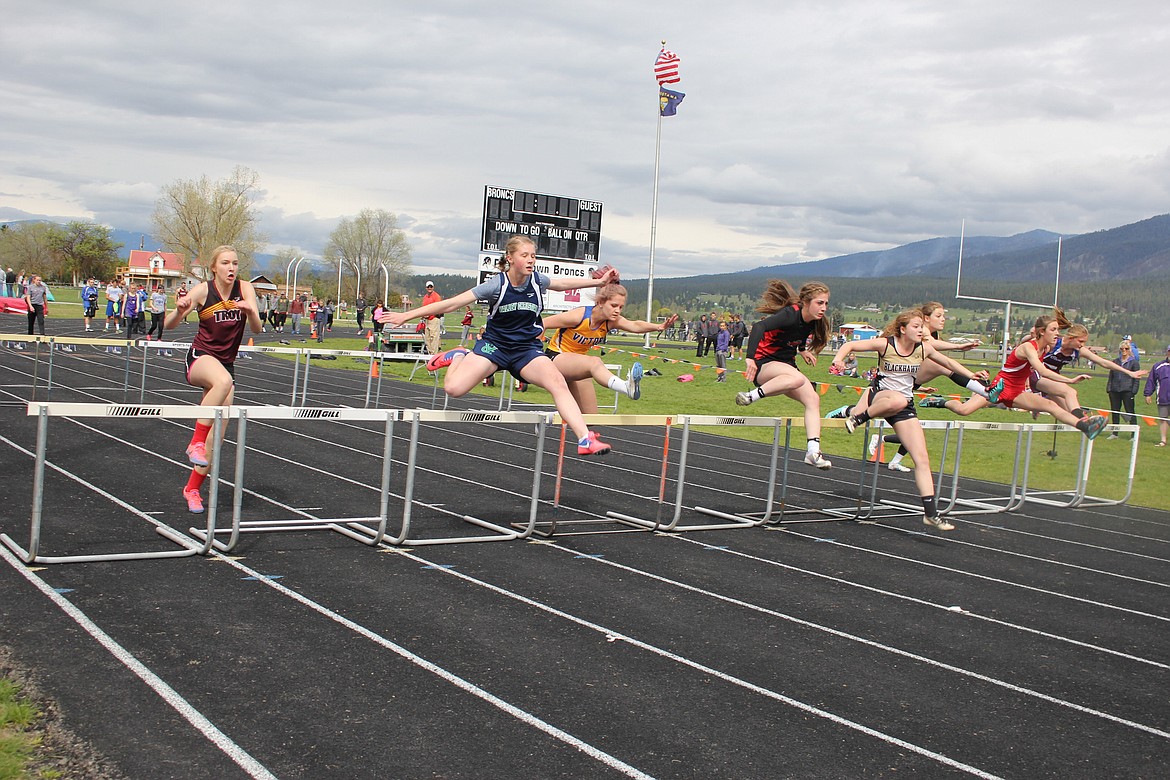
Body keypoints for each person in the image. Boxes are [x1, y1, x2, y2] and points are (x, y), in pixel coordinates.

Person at [380, 235, 617, 456]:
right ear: (510, 258)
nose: (531, 260)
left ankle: (585, 439)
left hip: (526, 350)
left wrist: (599, 281)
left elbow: (563, 284)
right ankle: (460, 356)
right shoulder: (496, 286)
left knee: (557, 382)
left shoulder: (537, 281)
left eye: (533, 255)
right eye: (525, 255)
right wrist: (406, 316)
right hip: (495, 348)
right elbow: (451, 304)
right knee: (454, 389)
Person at [829, 302, 994, 472]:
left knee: (916, 434)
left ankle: (896, 460)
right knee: (942, 368)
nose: (943, 319)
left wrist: (921, 388)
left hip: (907, 387)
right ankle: (848, 411)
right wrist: (958, 347)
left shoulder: (925, 337)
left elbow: (938, 354)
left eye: (944, 316)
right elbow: (933, 347)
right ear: (926, 318)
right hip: (887, 385)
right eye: (939, 316)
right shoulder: (922, 334)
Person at [832, 309, 956, 530]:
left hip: (904, 406)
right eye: (916, 327)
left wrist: (972, 376)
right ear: (903, 329)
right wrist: (838, 359)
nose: (921, 331)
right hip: (881, 396)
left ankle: (931, 513)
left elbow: (949, 364)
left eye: (922, 327)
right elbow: (849, 345)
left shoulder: (923, 348)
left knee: (922, 458)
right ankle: (857, 417)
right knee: (897, 399)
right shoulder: (885, 344)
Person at [164, 245, 262, 514]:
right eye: (226, 263)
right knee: (223, 382)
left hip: (226, 365)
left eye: (235, 263)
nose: (231, 268)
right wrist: (179, 308)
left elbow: (257, 328)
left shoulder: (246, 289)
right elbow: (168, 325)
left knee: (214, 442)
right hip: (200, 359)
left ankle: (192, 488)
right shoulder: (203, 291)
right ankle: (194, 441)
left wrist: (249, 310)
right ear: (214, 268)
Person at [918, 311, 1108, 440]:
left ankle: (1085, 426)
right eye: (1053, 330)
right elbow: (1040, 371)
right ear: (1042, 332)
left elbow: (1032, 372)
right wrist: (1070, 380)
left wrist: (1034, 400)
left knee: (1050, 405)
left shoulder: (1047, 347)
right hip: (1001, 386)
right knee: (963, 410)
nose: (1058, 334)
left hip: (1016, 391)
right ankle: (939, 401)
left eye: (1058, 330)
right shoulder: (1029, 347)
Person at [734, 279, 833, 469]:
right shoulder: (789, 314)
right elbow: (758, 327)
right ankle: (749, 396)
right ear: (806, 302)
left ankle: (813, 451)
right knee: (796, 378)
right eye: (820, 303)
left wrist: (803, 350)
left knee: (813, 399)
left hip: (786, 365)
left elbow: (799, 335)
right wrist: (749, 358)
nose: (824, 308)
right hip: (765, 364)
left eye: (826, 303)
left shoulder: (812, 321)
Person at [541, 283, 676, 411]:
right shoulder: (579, 316)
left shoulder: (611, 322)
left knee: (590, 416)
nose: (617, 311)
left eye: (621, 307)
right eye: (614, 305)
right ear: (600, 302)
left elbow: (634, 325)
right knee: (595, 362)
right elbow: (543, 323)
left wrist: (658, 327)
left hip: (578, 364)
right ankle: (625, 387)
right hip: (556, 358)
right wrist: (534, 351)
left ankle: (551, 420)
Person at [1028, 323, 1146, 422]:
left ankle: (1083, 422)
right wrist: (1032, 336)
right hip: (1037, 373)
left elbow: (1103, 362)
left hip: (1053, 378)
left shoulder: (1079, 351)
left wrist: (1129, 373)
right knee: (1069, 392)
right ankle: (1082, 420)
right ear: (1071, 338)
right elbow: (1028, 343)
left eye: (1084, 342)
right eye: (1080, 341)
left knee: (1067, 409)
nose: (1082, 345)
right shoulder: (1053, 343)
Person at [1106, 341, 1142, 438]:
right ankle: (1115, 432)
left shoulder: (1134, 363)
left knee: (1130, 411)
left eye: (1126, 349)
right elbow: (1111, 375)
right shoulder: (1116, 362)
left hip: (1127, 390)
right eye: (1122, 349)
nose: (1124, 351)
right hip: (1114, 390)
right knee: (1115, 411)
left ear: (1129, 350)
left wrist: (1134, 391)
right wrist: (1109, 388)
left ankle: (1133, 434)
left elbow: (1137, 378)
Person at [1143, 345, 1170, 447]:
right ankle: (1163, 440)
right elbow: (1151, 381)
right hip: (1163, 399)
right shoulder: (1158, 366)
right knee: (1163, 419)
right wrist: (1148, 394)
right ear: (1167, 352)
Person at [421, 281, 443, 355]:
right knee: (427, 338)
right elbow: (424, 308)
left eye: (431, 287)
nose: (429, 288)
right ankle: (430, 353)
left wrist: (430, 314)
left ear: (433, 287)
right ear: (426, 288)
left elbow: (438, 308)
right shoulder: (425, 297)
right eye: (428, 287)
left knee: (433, 337)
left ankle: (434, 354)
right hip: (427, 320)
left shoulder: (436, 296)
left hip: (434, 319)